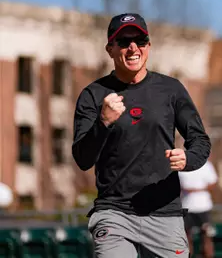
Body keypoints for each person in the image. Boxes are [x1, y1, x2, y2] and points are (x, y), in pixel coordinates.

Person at [72, 13, 211, 258]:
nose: (133, 47)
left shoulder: (171, 89)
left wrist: (188, 159)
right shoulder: (93, 95)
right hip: (114, 214)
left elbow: (200, 140)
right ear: (110, 49)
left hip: (164, 214)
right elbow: (83, 159)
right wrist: (103, 122)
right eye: (124, 42)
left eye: (140, 40)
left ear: (148, 46)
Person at [178, 160, 218, 258]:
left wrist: (199, 190)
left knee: (206, 235)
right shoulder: (181, 164)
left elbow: (213, 182)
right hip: (186, 207)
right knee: (186, 238)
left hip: (203, 207)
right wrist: (185, 189)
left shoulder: (206, 165)